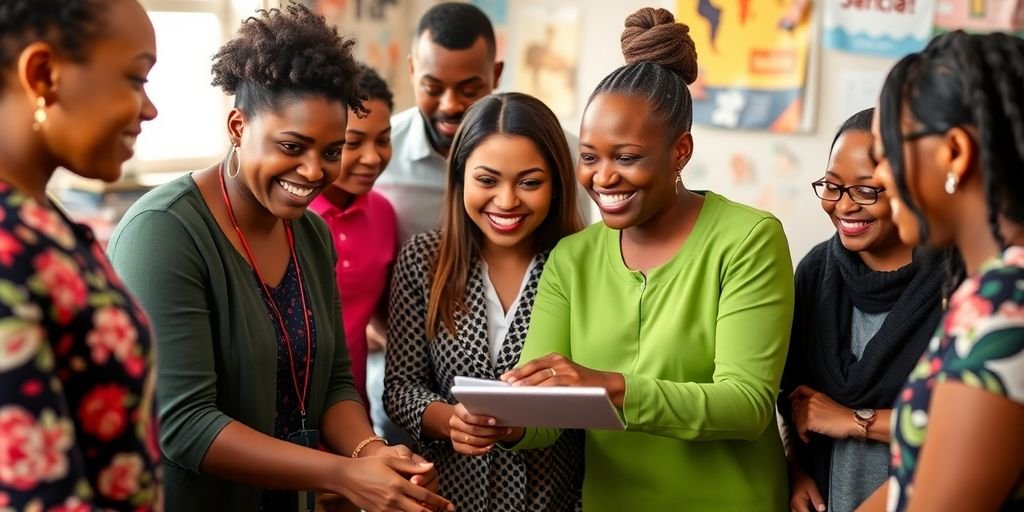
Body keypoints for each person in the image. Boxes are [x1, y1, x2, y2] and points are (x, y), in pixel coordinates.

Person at [107, 5, 452, 512]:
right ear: (237, 125)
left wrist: (375, 455)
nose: (314, 171)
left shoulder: (310, 235)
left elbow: (333, 378)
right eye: (292, 145)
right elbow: (185, 425)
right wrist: (344, 473)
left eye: (332, 151)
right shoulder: (164, 233)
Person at [481, 8, 794, 511]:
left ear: (680, 151)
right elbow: (543, 414)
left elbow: (747, 405)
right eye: (589, 157)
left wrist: (611, 386)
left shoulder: (748, 239)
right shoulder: (572, 259)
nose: (604, 178)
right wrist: (506, 420)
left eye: (626, 157)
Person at [383, 92, 585, 511]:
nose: (507, 201)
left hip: (557, 498)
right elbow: (401, 388)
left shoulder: (581, 264)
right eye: (487, 180)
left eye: (529, 182)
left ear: (556, 184)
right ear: (459, 178)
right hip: (451, 495)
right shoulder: (425, 259)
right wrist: (450, 419)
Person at [0, 1, 160, 510]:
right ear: (44, 74)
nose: (149, 109)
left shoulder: (43, 220)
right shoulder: (8, 247)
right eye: (136, 79)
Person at [855, 30, 1024, 512]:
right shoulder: (990, 289)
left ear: (954, 152)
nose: (882, 178)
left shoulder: (1005, 303)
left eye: (884, 156)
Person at [779, 108, 945, 512]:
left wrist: (854, 420)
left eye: (867, 190)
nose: (844, 206)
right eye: (832, 187)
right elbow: (792, 397)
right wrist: (794, 470)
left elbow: (971, 426)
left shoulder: (955, 283)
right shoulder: (815, 271)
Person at [309, 64, 397, 409]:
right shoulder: (290, 215)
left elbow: (384, 317)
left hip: (351, 406)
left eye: (383, 140)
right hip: (282, 411)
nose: (372, 157)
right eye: (353, 142)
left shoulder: (384, 214)